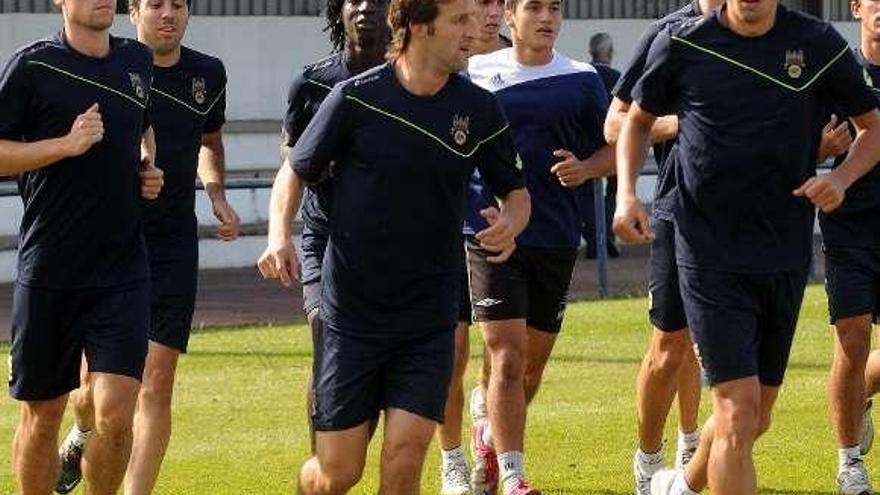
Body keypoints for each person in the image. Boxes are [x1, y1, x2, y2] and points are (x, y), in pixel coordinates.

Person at [257, 0, 531, 490]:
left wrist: (510, 221)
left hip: (428, 317)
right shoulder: (354, 99)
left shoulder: (479, 108)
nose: (477, 31)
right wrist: (279, 235)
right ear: (420, 26)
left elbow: (516, 192)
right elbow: (293, 172)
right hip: (353, 316)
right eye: (460, 21)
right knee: (338, 471)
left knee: (404, 458)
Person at [614, 1, 880, 494]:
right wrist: (628, 193)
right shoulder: (683, 43)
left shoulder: (817, 43)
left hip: (782, 250)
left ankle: (681, 487)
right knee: (736, 410)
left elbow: (872, 126)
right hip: (707, 250)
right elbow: (632, 121)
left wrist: (842, 177)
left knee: (756, 415)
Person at [54, 0, 237, 493]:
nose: (168, 14)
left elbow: (210, 140)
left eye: (178, 4)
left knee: (156, 381)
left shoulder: (208, 74)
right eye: (155, 3)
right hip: (110, 237)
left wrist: (217, 195)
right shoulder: (106, 66)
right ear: (131, 11)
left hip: (173, 241)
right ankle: (81, 433)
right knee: (91, 391)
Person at [0, 0, 164, 491]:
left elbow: (144, 127)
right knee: (44, 413)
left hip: (122, 268)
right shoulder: (34, 65)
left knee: (116, 414)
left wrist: (146, 165)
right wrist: (64, 146)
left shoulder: (137, 60)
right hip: (52, 268)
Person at [466, 0, 613, 492]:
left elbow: (617, 144)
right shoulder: (475, 74)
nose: (546, 18)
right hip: (490, 231)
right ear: (510, 14)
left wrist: (588, 168)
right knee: (505, 353)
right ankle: (514, 475)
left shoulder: (583, 79)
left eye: (554, 8)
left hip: (555, 234)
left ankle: (488, 428)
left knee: (529, 366)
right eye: (534, 7)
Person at [602, 2, 719, 493]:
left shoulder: (769, 31)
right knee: (669, 348)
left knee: (713, 350)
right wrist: (683, 122)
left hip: (747, 221)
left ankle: (690, 446)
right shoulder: (669, 32)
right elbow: (615, 125)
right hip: (679, 210)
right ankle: (649, 459)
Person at [281, 0, 389, 455]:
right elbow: (291, 155)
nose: (365, 8)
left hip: (394, 243)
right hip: (326, 240)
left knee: (385, 366)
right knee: (329, 350)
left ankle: (348, 451)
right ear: (337, 11)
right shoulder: (312, 83)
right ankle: (322, 464)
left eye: (378, 0)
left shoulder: (415, 81)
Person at [436, 0, 512, 492]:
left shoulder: (520, 60)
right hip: (443, 229)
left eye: (496, 2)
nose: (489, 13)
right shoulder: (441, 62)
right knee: (452, 350)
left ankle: (489, 422)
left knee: (508, 357)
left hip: (499, 228)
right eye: (478, 3)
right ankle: (452, 460)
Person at [819, 0, 880, 492]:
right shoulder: (837, 71)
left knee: (867, 363)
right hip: (850, 226)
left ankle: (860, 395)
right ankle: (849, 464)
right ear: (857, 7)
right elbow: (801, 142)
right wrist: (824, 150)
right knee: (853, 336)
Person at [579, 32, 620, 260]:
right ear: (609, 53)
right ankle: (607, 238)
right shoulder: (617, 77)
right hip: (612, 145)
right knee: (615, 190)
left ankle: (596, 240)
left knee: (584, 194)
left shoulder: (580, 75)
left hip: (585, 145)